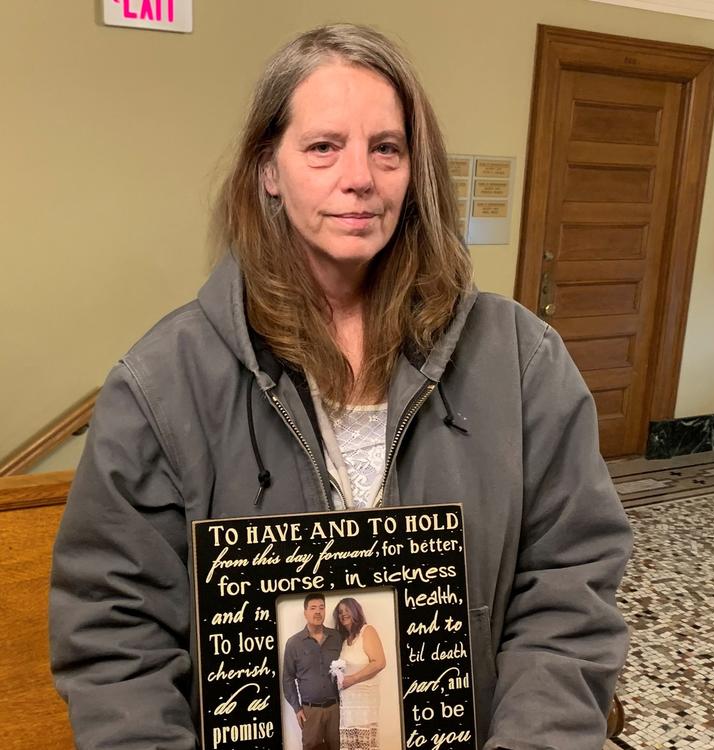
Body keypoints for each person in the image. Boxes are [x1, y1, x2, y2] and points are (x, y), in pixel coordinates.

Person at [49, 23, 631, 750]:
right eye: (323, 147)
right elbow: (115, 637)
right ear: (268, 167)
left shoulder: (521, 361)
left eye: (386, 149)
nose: (360, 176)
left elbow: (569, 587)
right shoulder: (160, 385)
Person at [282, 593, 344, 750]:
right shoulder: (293, 643)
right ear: (305, 613)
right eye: (313, 608)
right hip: (310, 711)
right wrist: (297, 708)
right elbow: (288, 678)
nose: (318, 612)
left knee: (338, 747)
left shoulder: (336, 637)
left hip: (336, 709)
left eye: (321, 608)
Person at [333, 598, 386, 750]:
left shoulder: (367, 630)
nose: (343, 614)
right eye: (340, 612)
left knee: (364, 746)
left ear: (356, 610)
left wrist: (352, 679)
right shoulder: (344, 640)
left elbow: (379, 662)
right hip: (347, 705)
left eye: (347, 610)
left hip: (364, 704)